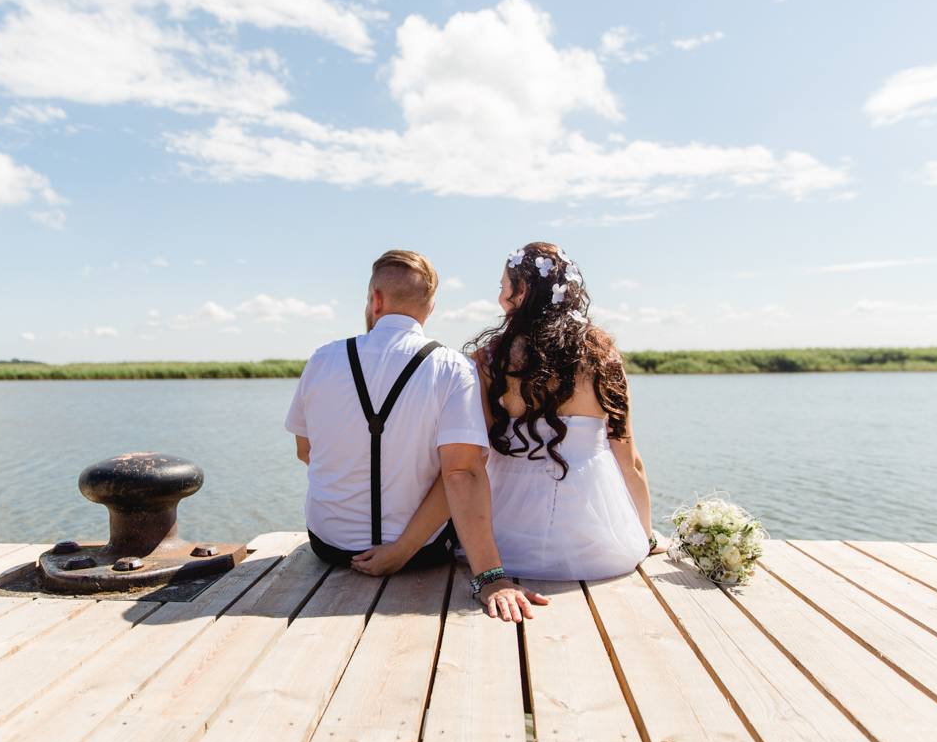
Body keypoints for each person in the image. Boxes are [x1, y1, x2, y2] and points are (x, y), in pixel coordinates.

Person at [286, 250, 548, 621]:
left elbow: (305, 451)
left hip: (328, 546)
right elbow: (463, 472)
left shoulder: (322, 359)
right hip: (423, 551)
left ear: (376, 299)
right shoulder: (453, 368)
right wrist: (488, 577)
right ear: (430, 308)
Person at [465, 241, 671, 581]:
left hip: (506, 541)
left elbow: (474, 460)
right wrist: (644, 536)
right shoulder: (602, 357)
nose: (501, 297)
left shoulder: (489, 361)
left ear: (523, 290)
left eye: (504, 287)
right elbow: (630, 463)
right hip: (598, 544)